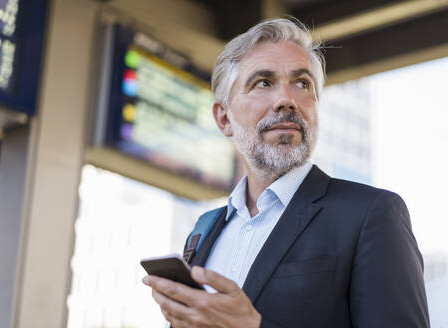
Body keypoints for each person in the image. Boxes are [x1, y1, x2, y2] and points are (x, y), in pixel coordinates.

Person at [142, 18, 430, 328]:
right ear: (224, 118)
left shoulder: (371, 214)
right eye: (263, 82)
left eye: (302, 83)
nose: (287, 100)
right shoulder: (203, 228)